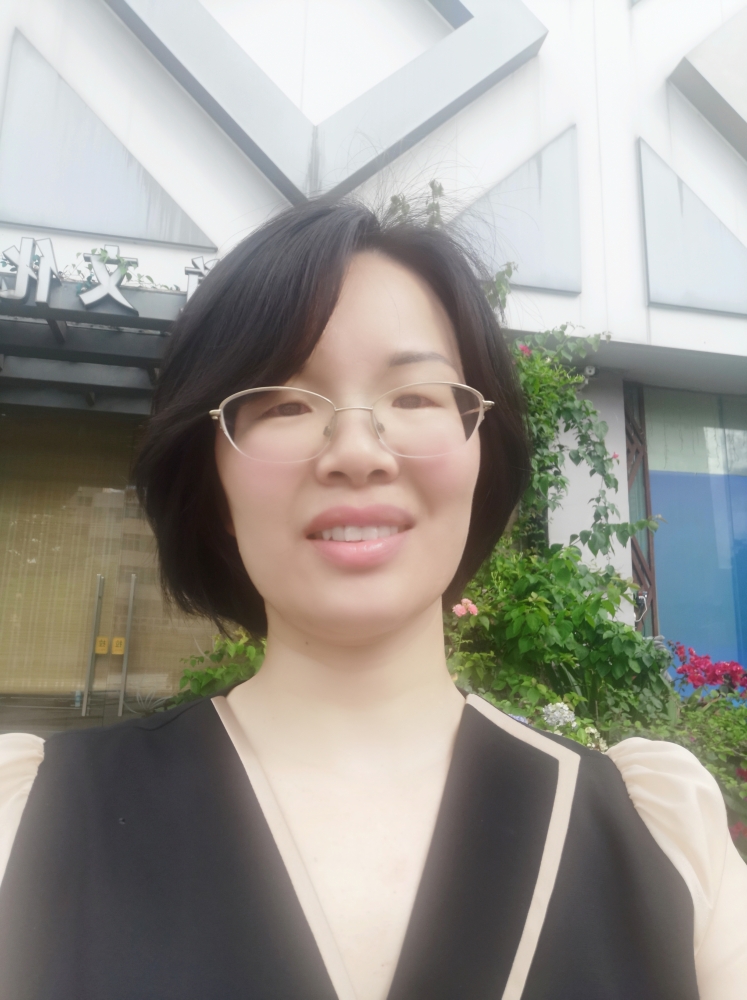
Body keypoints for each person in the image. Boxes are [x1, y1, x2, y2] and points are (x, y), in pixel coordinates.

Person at [0, 201, 745, 1000]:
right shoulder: (29, 822)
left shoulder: (658, 834)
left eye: (416, 397)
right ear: (212, 480)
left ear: (480, 456)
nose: (356, 453)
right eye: (286, 404)